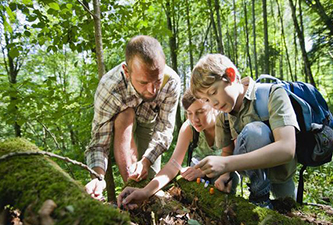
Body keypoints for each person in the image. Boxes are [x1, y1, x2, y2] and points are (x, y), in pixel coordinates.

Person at [190, 54, 299, 208]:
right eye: (206, 100)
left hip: (281, 173)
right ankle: (260, 198)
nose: (213, 103)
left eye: (214, 92)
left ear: (230, 75)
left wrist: (226, 164)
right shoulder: (224, 117)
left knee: (290, 209)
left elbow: (287, 149)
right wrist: (225, 174)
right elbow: (227, 153)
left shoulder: (272, 94)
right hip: (255, 179)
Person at [85, 35, 181, 200]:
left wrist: (146, 160)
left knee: (149, 182)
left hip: (149, 124)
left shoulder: (171, 82)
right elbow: (99, 143)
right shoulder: (109, 87)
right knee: (125, 114)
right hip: (122, 126)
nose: (152, 90)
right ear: (127, 72)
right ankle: (129, 192)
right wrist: (98, 178)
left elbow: (164, 128)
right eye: (144, 82)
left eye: (157, 81)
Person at [117, 89, 239, 210]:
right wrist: (145, 192)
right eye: (189, 113)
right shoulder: (189, 128)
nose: (194, 119)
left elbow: (233, 156)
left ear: (213, 106)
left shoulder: (226, 122)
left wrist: (204, 171)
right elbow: (173, 165)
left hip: (225, 174)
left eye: (200, 112)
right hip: (197, 179)